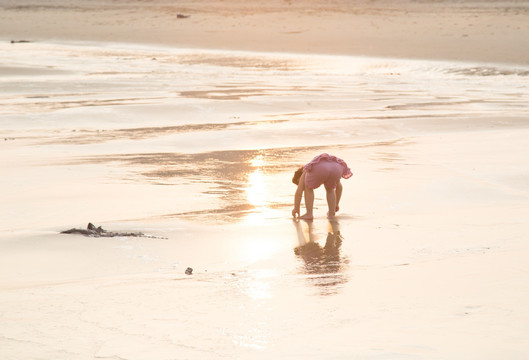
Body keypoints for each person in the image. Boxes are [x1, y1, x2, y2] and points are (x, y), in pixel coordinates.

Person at [292, 153, 352, 220]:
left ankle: (309, 214)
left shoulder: (306, 170)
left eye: (298, 182)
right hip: (337, 167)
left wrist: (296, 208)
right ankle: (331, 214)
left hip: (322, 167)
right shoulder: (320, 164)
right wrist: (336, 204)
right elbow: (339, 188)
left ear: (299, 175)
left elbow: (299, 192)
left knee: (308, 187)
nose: (300, 184)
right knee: (330, 188)